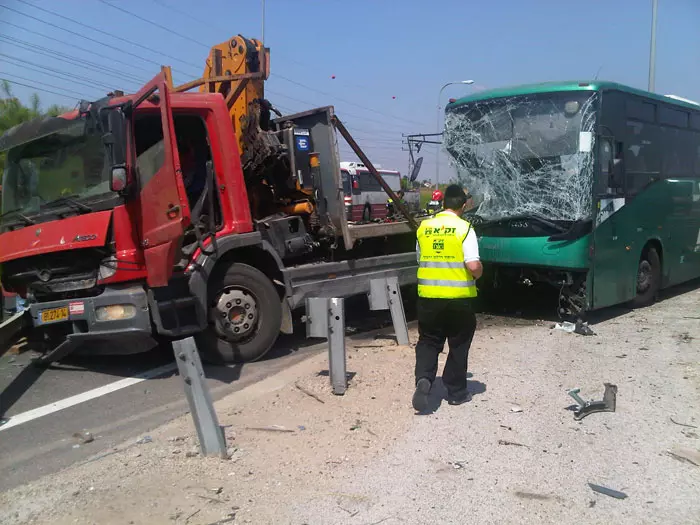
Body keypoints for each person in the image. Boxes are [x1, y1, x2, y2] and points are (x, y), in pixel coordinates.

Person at [412, 184, 483, 411]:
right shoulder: (464, 229)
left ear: (443, 203)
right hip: (458, 299)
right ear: (463, 205)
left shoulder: (424, 227)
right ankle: (456, 393)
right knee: (459, 343)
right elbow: (472, 265)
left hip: (428, 297)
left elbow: (420, 259)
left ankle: (424, 379)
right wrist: (480, 272)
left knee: (429, 340)